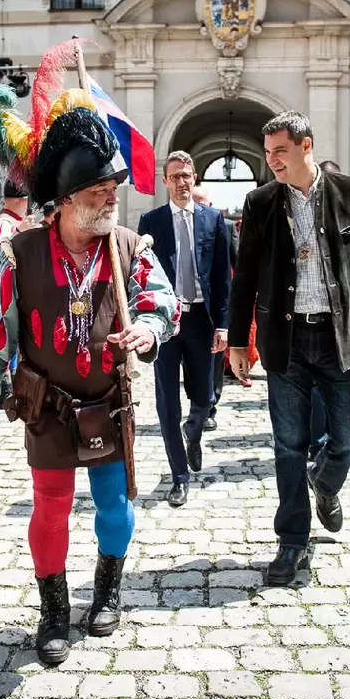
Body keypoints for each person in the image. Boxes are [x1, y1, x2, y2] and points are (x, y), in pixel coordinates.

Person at [0, 94, 179, 666]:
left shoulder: (128, 246)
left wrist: (150, 329)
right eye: (99, 193)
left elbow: (162, 298)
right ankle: (54, 611)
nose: (113, 200)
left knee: (114, 506)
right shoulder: (22, 253)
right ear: (65, 202)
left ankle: (107, 592)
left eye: (115, 191)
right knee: (51, 509)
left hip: (109, 401)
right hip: (48, 405)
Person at [228, 110, 350, 586]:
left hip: (340, 337)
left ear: (305, 146)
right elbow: (245, 279)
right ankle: (292, 541)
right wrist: (238, 341)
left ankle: (327, 482)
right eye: (268, 153)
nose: (273, 161)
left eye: (280, 151)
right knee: (288, 447)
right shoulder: (260, 203)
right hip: (287, 342)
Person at [138, 153, 231, 507]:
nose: (181, 182)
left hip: (201, 321)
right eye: (174, 176)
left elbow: (222, 276)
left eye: (187, 175)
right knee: (166, 402)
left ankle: (194, 432)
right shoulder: (152, 222)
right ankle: (179, 476)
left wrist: (224, 325)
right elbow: (142, 274)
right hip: (166, 322)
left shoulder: (213, 220)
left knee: (205, 398)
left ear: (194, 179)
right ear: (165, 181)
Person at [191, 187, 236, 432]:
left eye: (204, 205)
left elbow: (237, 262)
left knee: (215, 360)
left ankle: (210, 407)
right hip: (187, 306)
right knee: (192, 361)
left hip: (216, 306)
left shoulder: (226, 227)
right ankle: (196, 403)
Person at [0, 179, 31, 252]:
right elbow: (1, 251)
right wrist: (19, 231)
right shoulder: (4, 222)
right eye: (27, 199)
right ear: (18, 200)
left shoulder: (12, 220)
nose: (28, 203)